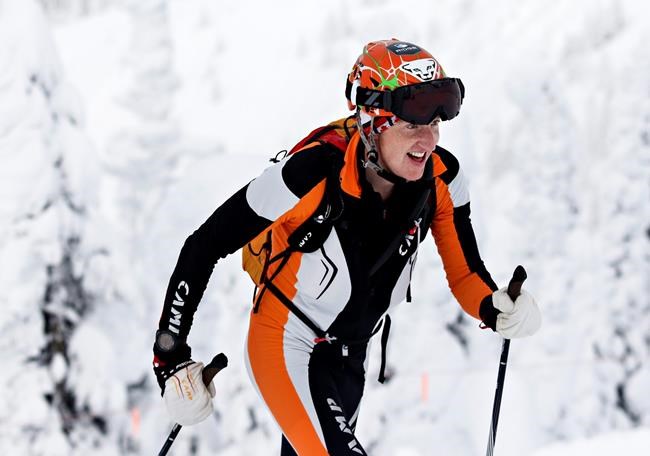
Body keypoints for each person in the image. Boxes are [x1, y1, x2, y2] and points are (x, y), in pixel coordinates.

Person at [152, 39, 541, 455]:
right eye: (412, 125)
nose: (428, 141)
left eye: (436, 123)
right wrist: (170, 360)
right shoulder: (308, 175)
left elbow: (465, 274)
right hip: (286, 341)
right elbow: (204, 245)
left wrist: (496, 307)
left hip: (352, 356)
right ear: (373, 122)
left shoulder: (442, 180)